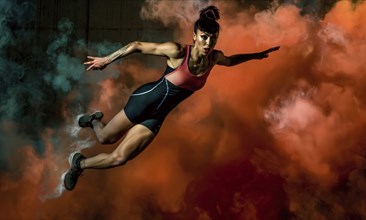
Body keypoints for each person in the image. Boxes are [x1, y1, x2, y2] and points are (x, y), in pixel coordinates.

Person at [64, 5, 279, 191]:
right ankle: (93, 120)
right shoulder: (176, 51)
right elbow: (137, 45)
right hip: (144, 101)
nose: (208, 43)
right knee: (105, 138)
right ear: (195, 36)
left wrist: (256, 56)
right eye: (204, 37)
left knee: (120, 158)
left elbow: (231, 61)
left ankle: (78, 164)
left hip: (156, 117)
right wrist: (106, 60)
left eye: (213, 39)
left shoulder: (214, 58)